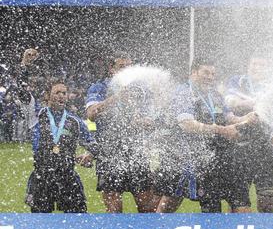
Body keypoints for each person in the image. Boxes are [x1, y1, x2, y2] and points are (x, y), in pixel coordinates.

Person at [155, 61, 254, 213]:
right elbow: (187, 125)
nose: (210, 77)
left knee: (242, 205)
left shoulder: (214, 94)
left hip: (224, 156)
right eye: (206, 73)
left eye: (213, 74)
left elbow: (229, 117)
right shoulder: (184, 93)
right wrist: (222, 130)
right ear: (193, 72)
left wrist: (247, 118)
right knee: (173, 200)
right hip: (194, 158)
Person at [85, 51, 159, 213]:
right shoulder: (100, 87)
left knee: (147, 207)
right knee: (114, 210)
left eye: (128, 67)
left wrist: (144, 122)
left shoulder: (142, 90)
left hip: (136, 151)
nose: (126, 70)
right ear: (112, 69)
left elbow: (152, 119)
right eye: (121, 67)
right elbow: (91, 114)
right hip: (109, 153)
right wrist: (117, 97)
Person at [26, 79, 96, 213]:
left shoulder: (74, 121)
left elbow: (93, 144)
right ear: (47, 96)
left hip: (68, 177)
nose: (61, 96)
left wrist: (90, 155)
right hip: (42, 177)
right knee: (41, 224)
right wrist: (24, 67)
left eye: (64, 93)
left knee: (77, 221)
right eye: (57, 92)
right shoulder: (37, 115)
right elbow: (23, 95)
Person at [223, 55, 273, 213]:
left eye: (262, 65)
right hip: (240, 149)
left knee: (267, 205)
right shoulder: (238, 81)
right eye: (254, 64)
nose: (257, 68)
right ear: (248, 66)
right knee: (238, 206)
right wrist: (250, 107)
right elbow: (230, 104)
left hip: (267, 151)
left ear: (268, 69)